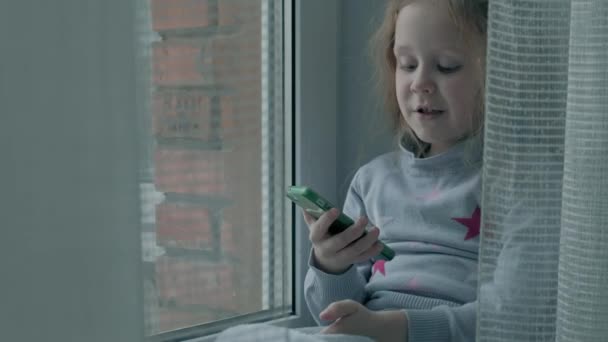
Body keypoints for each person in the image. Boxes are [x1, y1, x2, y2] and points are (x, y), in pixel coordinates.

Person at [303, 1, 488, 341]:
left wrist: (398, 329)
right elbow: (332, 318)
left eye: (447, 66)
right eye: (407, 64)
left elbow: (516, 312)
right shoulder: (372, 181)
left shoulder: (512, 188)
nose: (420, 83)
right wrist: (331, 264)